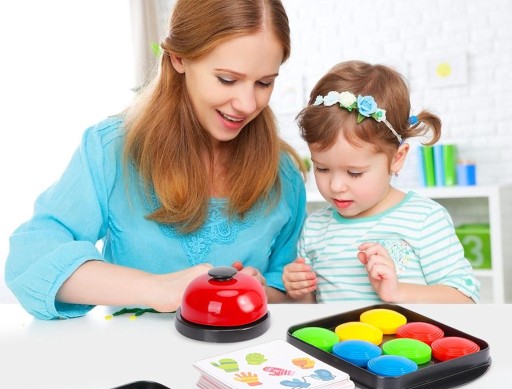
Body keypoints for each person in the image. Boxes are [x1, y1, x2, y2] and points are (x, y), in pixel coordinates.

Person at [5, 0, 307, 320]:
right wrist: (158, 289)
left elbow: (288, 292)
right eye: (227, 79)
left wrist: (260, 291)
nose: (247, 104)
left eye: (264, 83)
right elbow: (30, 260)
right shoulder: (111, 149)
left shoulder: (283, 174)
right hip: (134, 352)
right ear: (179, 58)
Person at [283, 60, 479, 304]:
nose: (335, 186)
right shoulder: (314, 228)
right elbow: (311, 310)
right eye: (322, 169)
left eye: (354, 173)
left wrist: (399, 292)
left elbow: (465, 299)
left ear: (397, 159)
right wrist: (300, 292)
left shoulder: (424, 219)